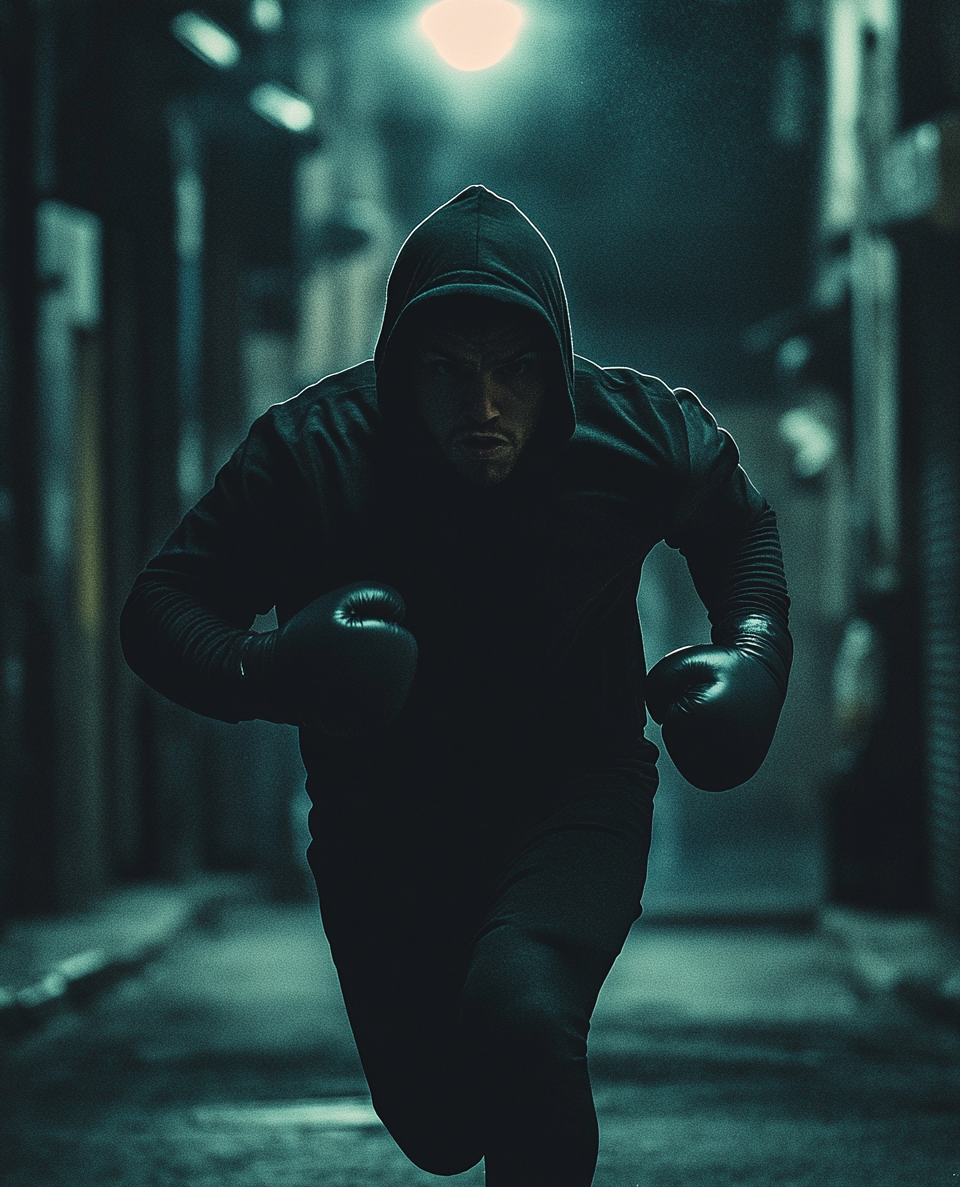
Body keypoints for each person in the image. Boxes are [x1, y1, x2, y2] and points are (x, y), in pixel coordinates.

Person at [121, 184, 791, 1186]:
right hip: (381, 826)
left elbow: (738, 526)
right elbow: (163, 608)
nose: (482, 407)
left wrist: (752, 649)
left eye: (514, 373)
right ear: (401, 369)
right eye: (447, 373)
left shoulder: (634, 433)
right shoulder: (311, 454)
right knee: (439, 1125)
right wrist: (265, 669)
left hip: (575, 796)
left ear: (553, 368)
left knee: (523, 1012)